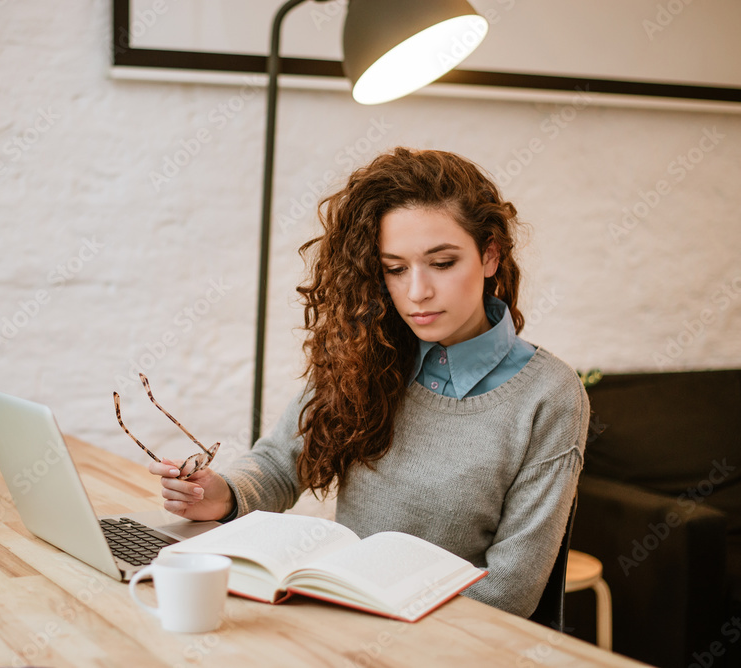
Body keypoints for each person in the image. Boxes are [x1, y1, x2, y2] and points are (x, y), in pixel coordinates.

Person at [147, 147, 589, 618]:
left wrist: (374, 610)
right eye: (395, 269)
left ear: (490, 255)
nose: (417, 291)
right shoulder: (368, 355)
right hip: (344, 621)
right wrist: (224, 493)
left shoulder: (549, 396)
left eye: (442, 263)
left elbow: (509, 594)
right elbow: (280, 463)